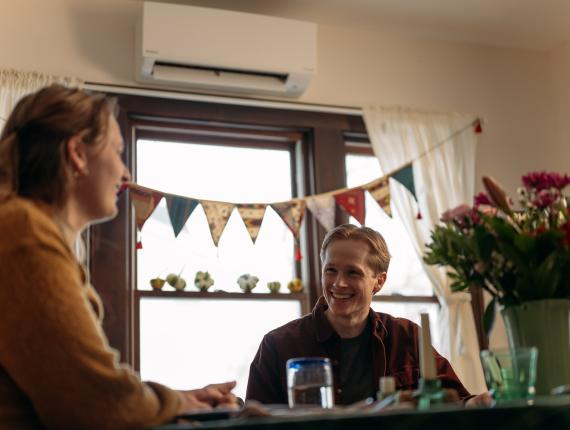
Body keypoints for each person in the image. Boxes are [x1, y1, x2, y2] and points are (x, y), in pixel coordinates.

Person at [0, 85, 238, 429]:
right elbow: (93, 403)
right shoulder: (25, 233)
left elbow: (77, 385)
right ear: (77, 154)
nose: (125, 174)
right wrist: (176, 403)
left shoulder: (25, 230)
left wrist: (180, 400)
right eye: (117, 151)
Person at [246, 224, 489, 406]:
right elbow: (252, 424)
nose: (338, 283)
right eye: (330, 270)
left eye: (353, 273)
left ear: (379, 281)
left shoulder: (406, 336)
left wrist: (479, 402)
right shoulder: (277, 345)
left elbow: (457, 403)